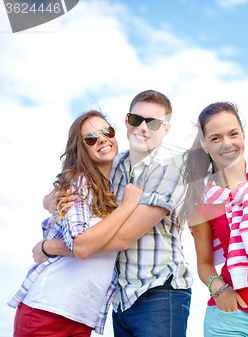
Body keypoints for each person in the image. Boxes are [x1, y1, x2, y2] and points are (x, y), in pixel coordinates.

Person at [36, 90, 193, 337]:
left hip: (159, 293)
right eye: (136, 119)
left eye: (153, 123)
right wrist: (51, 200)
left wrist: (51, 247)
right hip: (121, 299)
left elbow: (122, 239)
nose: (142, 128)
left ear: (166, 130)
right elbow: (69, 184)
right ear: (126, 121)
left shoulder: (169, 171)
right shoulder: (111, 165)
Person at [8, 110, 143, 336]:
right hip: (47, 309)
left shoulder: (118, 182)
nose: (101, 139)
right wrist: (128, 207)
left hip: (82, 316)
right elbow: (80, 246)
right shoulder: (80, 183)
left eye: (106, 131)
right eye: (90, 138)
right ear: (83, 149)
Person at [178, 102, 248, 337]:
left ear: (243, 135)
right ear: (204, 144)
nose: (227, 144)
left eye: (233, 134)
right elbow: (204, 264)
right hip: (229, 319)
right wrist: (219, 289)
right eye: (216, 138)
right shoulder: (201, 201)